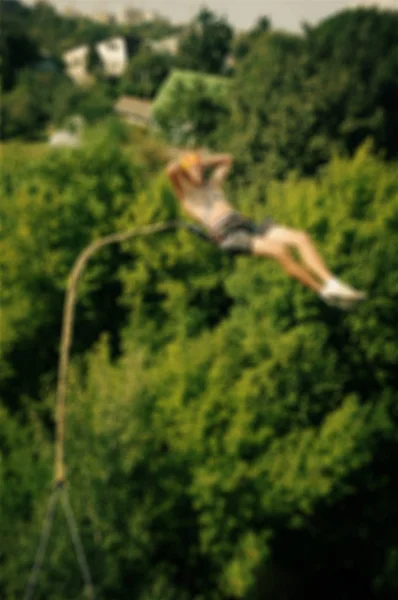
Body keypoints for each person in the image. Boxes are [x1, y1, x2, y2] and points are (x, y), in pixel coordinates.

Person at [166, 150, 366, 309]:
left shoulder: (214, 184)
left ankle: (332, 283)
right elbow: (171, 170)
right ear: (185, 174)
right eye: (194, 171)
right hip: (229, 235)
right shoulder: (187, 196)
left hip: (247, 224)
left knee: (301, 238)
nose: (199, 173)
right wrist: (189, 163)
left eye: (200, 170)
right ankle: (321, 292)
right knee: (280, 251)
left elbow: (228, 159)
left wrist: (201, 161)